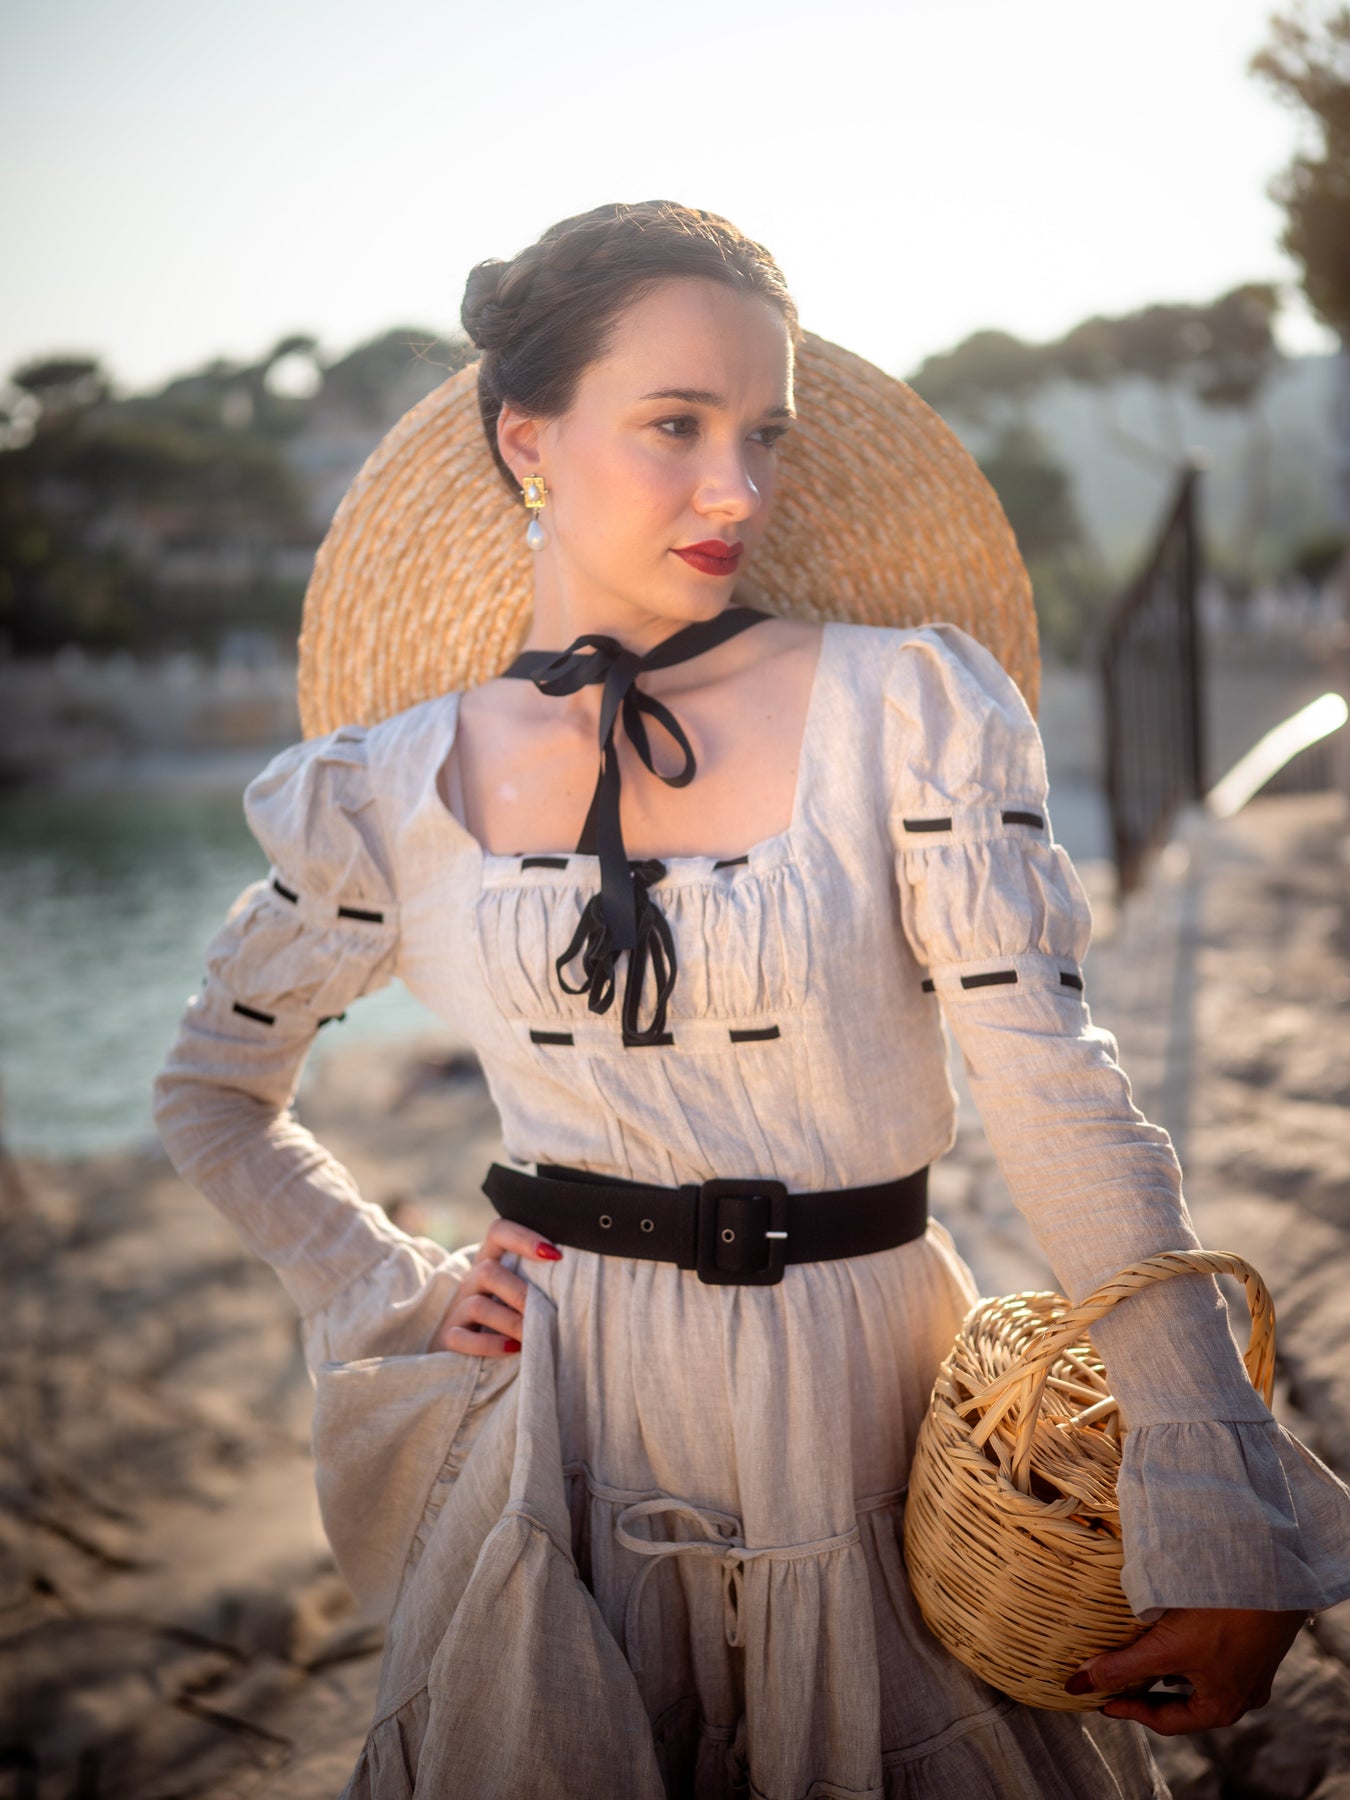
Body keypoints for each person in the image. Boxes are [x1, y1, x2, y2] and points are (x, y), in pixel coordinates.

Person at [153, 200, 1350, 1800]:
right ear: (526, 441)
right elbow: (214, 1095)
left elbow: (1058, 1089)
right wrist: (395, 1288)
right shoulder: (390, 788)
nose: (736, 486)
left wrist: (1213, 1501)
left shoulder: (902, 708)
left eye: (762, 433)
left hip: (873, 1412)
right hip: (553, 1440)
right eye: (675, 426)